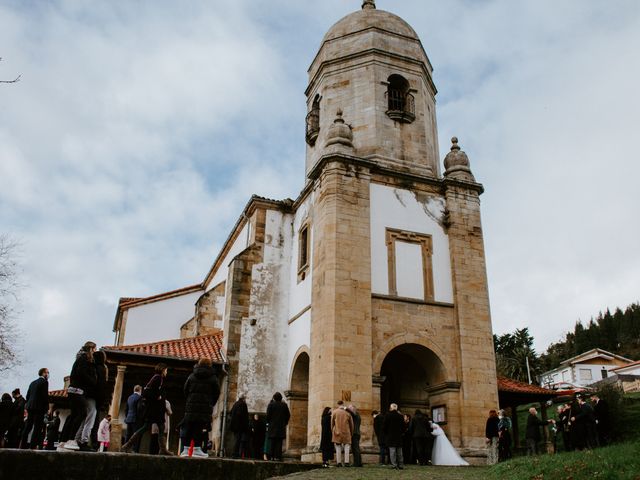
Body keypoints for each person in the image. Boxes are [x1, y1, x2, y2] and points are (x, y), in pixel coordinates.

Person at [121, 363, 172, 455]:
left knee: (159, 427)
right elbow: (148, 392)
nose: (167, 372)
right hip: (154, 410)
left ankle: (162, 449)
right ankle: (127, 445)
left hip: (154, 410)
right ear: (163, 370)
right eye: (166, 370)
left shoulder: (156, 378)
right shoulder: (158, 378)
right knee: (148, 427)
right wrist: (158, 396)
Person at [180, 357, 220, 458]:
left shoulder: (192, 376)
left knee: (189, 427)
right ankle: (197, 450)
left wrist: (190, 401)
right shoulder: (213, 378)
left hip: (191, 408)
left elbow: (185, 390)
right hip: (205, 409)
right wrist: (211, 403)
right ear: (209, 365)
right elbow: (217, 393)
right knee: (199, 428)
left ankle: (185, 449)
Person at [62, 341, 97, 451]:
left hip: (73, 389)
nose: (95, 351)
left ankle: (65, 440)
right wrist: (92, 381)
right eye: (94, 349)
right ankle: (71, 440)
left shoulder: (79, 358)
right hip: (77, 390)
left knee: (74, 415)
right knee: (82, 413)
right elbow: (82, 373)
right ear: (91, 349)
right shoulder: (84, 359)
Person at [20, 367, 50, 449]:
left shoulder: (32, 383)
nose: (48, 374)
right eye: (47, 372)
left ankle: (22, 445)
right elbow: (45, 396)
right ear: (43, 373)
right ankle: (32, 446)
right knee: (37, 427)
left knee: (28, 426)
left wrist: (28, 404)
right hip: (39, 408)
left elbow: (28, 395)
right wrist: (47, 407)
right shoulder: (44, 382)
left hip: (30, 406)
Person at [266, 392, 290, 461]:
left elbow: (268, 416)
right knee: (279, 443)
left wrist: (269, 422)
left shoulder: (270, 405)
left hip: (272, 426)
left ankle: (271, 457)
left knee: (272, 442)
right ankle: (278, 457)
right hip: (281, 426)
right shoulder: (284, 405)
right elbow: (288, 415)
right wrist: (285, 422)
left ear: (274, 398)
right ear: (281, 398)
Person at [331, 400, 353, 467]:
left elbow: (332, 424)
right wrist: (351, 433)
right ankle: (346, 462)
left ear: (338, 404)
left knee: (338, 447)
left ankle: (339, 462)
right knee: (347, 447)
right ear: (343, 404)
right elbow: (351, 424)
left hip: (337, 432)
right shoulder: (347, 413)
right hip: (346, 432)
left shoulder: (334, 412)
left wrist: (333, 431)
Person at [382, 403, 404, 470]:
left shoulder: (388, 415)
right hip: (399, 436)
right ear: (396, 408)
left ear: (391, 408)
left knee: (392, 451)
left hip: (391, 435)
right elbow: (403, 427)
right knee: (399, 451)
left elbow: (384, 426)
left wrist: (386, 433)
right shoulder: (400, 416)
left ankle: (394, 465)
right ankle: (400, 465)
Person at [229, 393, 249, 458]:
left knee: (236, 439)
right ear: (243, 398)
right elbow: (243, 416)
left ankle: (235, 453)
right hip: (239, 426)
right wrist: (245, 425)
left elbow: (231, 412)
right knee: (238, 440)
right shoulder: (243, 404)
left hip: (234, 425)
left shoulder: (235, 404)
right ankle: (235, 454)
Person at [124, 385, 143, 452]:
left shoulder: (129, 397)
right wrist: (140, 418)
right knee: (136, 435)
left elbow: (126, 409)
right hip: (136, 419)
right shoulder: (140, 397)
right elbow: (139, 409)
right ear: (140, 390)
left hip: (129, 418)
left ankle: (125, 448)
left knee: (128, 434)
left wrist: (127, 417)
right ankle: (134, 450)